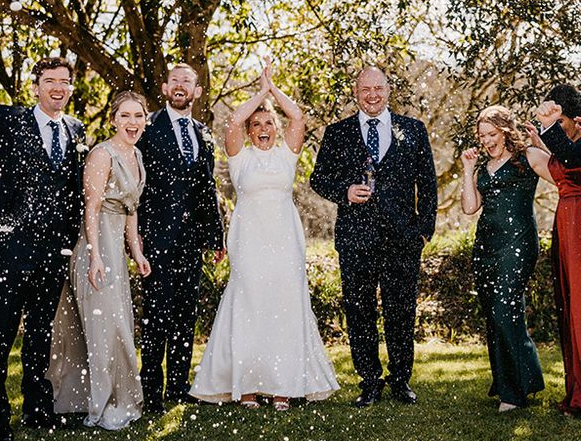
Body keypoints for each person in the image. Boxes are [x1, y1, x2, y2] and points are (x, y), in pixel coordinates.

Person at [189, 61, 339, 409]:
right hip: (249, 242)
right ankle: (248, 387)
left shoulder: (288, 155)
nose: (262, 128)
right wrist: (258, 94)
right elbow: (233, 121)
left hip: (284, 240)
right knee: (250, 305)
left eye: (268, 122)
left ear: (276, 127)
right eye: (256, 124)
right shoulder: (240, 157)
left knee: (284, 306)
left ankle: (283, 385)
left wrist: (273, 90)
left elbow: (298, 117)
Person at [310, 66, 437, 407]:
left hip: (403, 239)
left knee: (401, 311)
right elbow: (317, 179)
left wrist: (424, 231)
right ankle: (369, 381)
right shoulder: (337, 133)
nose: (372, 95)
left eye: (378, 88)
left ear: (388, 90)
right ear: (356, 91)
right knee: (359, 311)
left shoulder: (412, 130)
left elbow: (428, 184)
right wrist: (344, 191)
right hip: (355, 240)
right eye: (365, 89)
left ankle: (400, 380)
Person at [0, 57, 85, 441]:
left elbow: (73, 189)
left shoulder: (76, 129)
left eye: (64, 81)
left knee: (41, 332)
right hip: (11, 246)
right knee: (0, 334)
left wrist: (68, 240)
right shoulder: (8, 120)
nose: (57, 87)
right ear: (36, 86)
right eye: (49, 80)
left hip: (54, 250)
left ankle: (38, 407)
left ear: (71, 88)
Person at [47, 92, 150, 429]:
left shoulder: (136, 156)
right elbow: (91, 207)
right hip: (95, 249)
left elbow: (130, 209)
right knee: (103, 330)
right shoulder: (101, 154)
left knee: (118, 326)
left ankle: (120, 397)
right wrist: (93, 256)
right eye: (125, 116)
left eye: (138, 116)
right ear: (113, 120)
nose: (132, 123)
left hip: (116, 255)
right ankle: (102, 403)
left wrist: (137, 252)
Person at [137, 63, 224, 414]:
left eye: (187, 82)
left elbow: (207, 188)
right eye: (175, 81)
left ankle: (177, 384)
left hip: (191, 240)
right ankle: (151, 389)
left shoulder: (203, 133)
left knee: (185, 314)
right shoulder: (146, 128)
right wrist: (137, 233)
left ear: (196, 92)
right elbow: (137, 184)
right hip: (157, 236)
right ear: (165, 87)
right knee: (156, 313)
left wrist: (215, 235)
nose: (180, 86)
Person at [460, 105, 552, 412]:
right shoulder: (485, 165)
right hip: (486, 246)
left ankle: (513, 394)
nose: (486, 141)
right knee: (496, 315)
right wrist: (467, 171)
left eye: (491, 134)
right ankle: (514, 382)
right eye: (482, 136)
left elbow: (565, 176)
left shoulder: (528, 158)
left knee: (504, 310)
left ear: (505, 131)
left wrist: (544, 142)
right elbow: (470, 207)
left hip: (518, 244)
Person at [529, 86, 581, 415]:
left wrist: (548, 130)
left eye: (562, 124)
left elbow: (573, 160)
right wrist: (539, 137)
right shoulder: (565, 144)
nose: (557, 129)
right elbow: (556, 164)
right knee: (571, 306)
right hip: (566, 228)